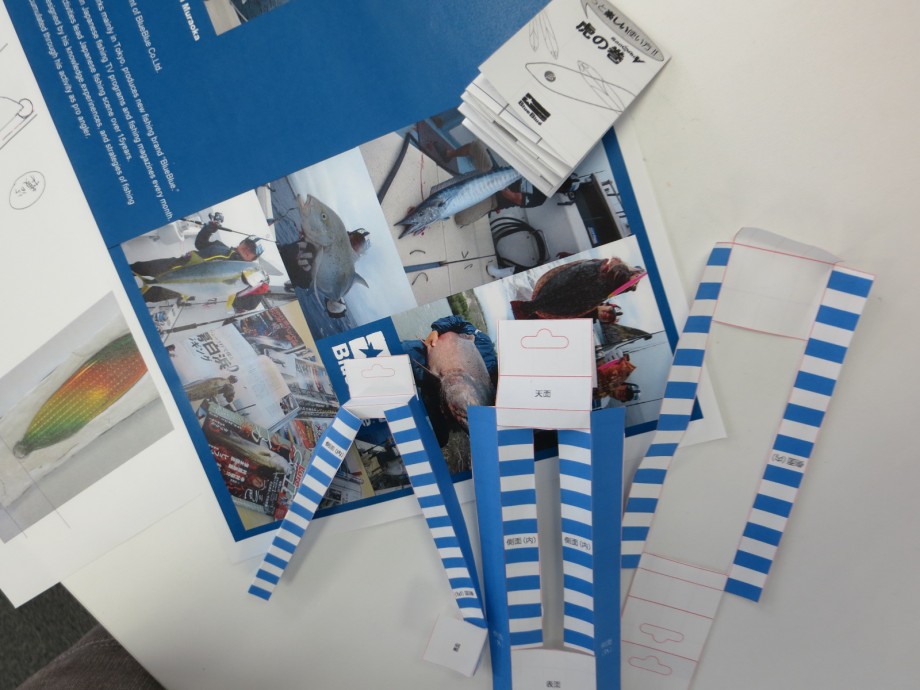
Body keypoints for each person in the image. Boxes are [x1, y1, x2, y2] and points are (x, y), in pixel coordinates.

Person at [400, 315, 497, 445]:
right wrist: (437, 330)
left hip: (434, 391)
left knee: (439, 439)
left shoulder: (492, 396)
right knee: (392, 353)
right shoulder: (485, 344)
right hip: (423, 354)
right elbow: (458, 321)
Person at [131, 213, 264, 303]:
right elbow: (200, 243)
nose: (247, 249)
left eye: (252, 250)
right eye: (247, 244)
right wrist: (208, 229)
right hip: (173, 264)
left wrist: (260, 285)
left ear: (253, 258)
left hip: (184, 287)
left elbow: (246, 300)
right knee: (139, 267)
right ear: (242, 242)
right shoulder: (220, 246)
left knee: (144, 296)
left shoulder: (243, 280)